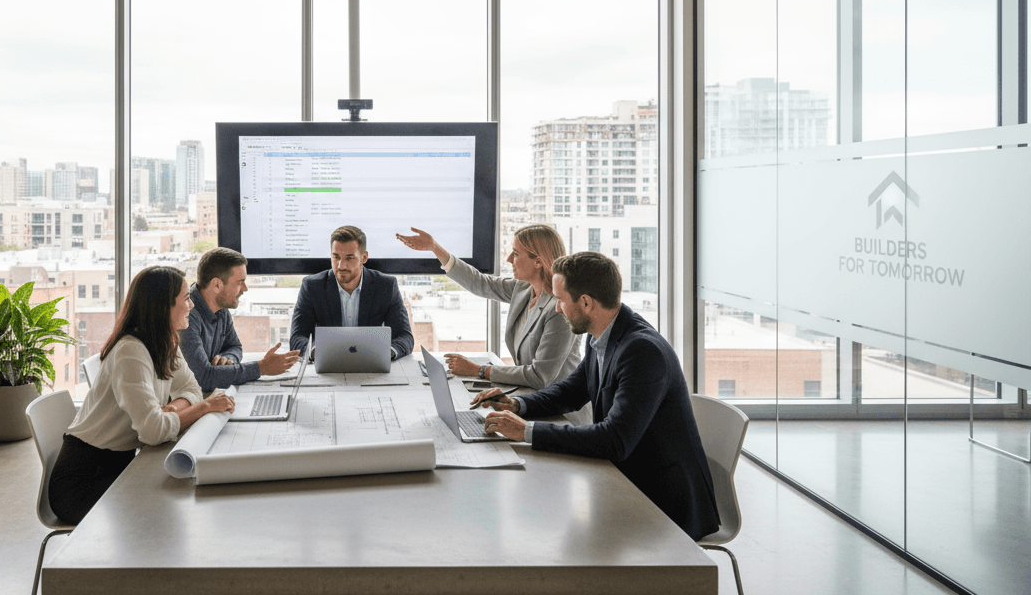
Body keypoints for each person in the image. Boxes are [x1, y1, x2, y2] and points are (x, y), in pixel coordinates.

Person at [471, 252, 720, 541]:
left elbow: (614, 441)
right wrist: (518, 404)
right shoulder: (601, 333)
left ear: (586, 302)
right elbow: (571, 391)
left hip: (663, 501)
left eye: (562, 300)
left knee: (549, 530)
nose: (557, 309)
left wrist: (526, 431)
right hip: (627, 479)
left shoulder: (642, 352)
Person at [48, 266, 235, 526]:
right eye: (185, 299)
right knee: (170, 508)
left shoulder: (164, 341)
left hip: (118, 464)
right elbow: (153, 432)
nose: (191, 305)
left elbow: (190, 388)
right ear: (163, 307)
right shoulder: (131, 352)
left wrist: (175, 409)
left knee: (177, 502)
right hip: (83, 482)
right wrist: (203, 408)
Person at [395, 224, 580, 389]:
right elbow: (480, 283)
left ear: (538, 261)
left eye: (515, 254)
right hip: (532, 398)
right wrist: (434, 248)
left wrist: (480, 370)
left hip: (562, 415)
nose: (508, 259)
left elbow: (539, 376)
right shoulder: (523, 289)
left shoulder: (560, 309)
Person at [180, 247, 299, 395]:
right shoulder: (186, 315)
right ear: (217, 285)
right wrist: (262, 367)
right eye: (239, 283)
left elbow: (234, 346)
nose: (245, 288)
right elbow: (203, 378)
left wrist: (227, 359)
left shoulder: (220, 307)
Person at [288, 225, 414, 360]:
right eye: (336, 257)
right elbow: (297, 338)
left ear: (364, 257)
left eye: (349, 258)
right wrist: (316, 353)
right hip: (328, 365)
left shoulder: (386, 286)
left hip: (372, 364)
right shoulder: (312, 286)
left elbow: (404, 337)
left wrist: (385, 353)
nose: (341, 266)